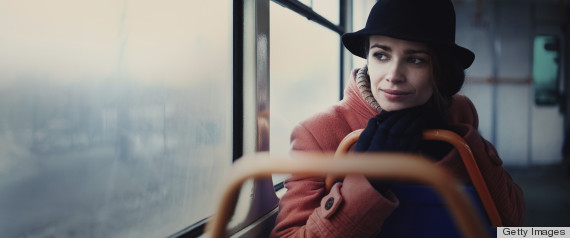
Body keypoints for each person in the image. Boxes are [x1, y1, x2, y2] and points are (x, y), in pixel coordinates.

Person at [270, 0, 525, 237]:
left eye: (415, 60)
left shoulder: (459, 113)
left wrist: (453, 151)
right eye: (381, 55)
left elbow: (513, 223)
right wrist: (367, 183)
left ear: (441, 70)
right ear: (368, 58)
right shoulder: (318, 132)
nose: (394, 75)